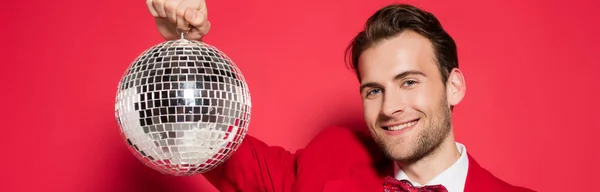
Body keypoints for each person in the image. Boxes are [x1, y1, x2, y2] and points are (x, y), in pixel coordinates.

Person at [146, 0, 536, 191]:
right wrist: (183, 51)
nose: (390, 107)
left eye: (410, 82)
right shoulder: (329, 161)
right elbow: (204, 141)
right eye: (374, 90)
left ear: (454, 86)